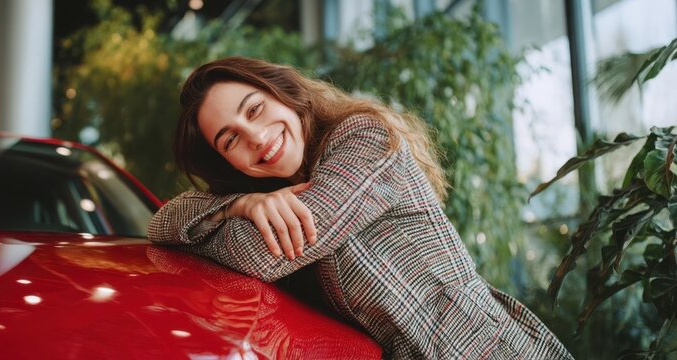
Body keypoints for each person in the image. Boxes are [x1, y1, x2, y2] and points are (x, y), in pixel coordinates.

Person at [148, 56, 572, 359]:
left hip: (485, 347)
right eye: (230, 140)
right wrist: (238, 204)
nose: (255, 138)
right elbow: (162, 224)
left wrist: (235, 218)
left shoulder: (364, 138)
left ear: (285, 93)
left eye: (255, 110)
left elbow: (268, 252)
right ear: (228, 164)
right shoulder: (269, 198)